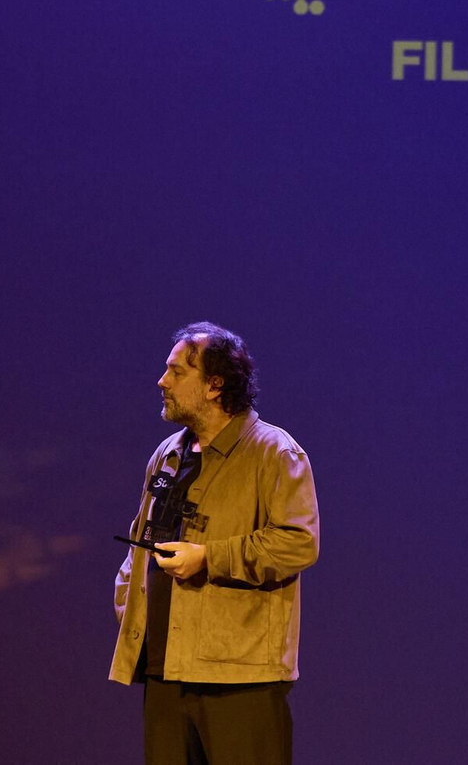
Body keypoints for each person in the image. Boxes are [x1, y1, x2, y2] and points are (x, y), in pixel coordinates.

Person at [111, 322, 319, 765]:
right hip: (164, 670)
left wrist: (209, 557)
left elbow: (297, 543)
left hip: (238, 680)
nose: (161, 381)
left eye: (176, 372)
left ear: (214, 385)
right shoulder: (167, 453)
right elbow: (139, 543)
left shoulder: (274, 453)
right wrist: (131, 604)